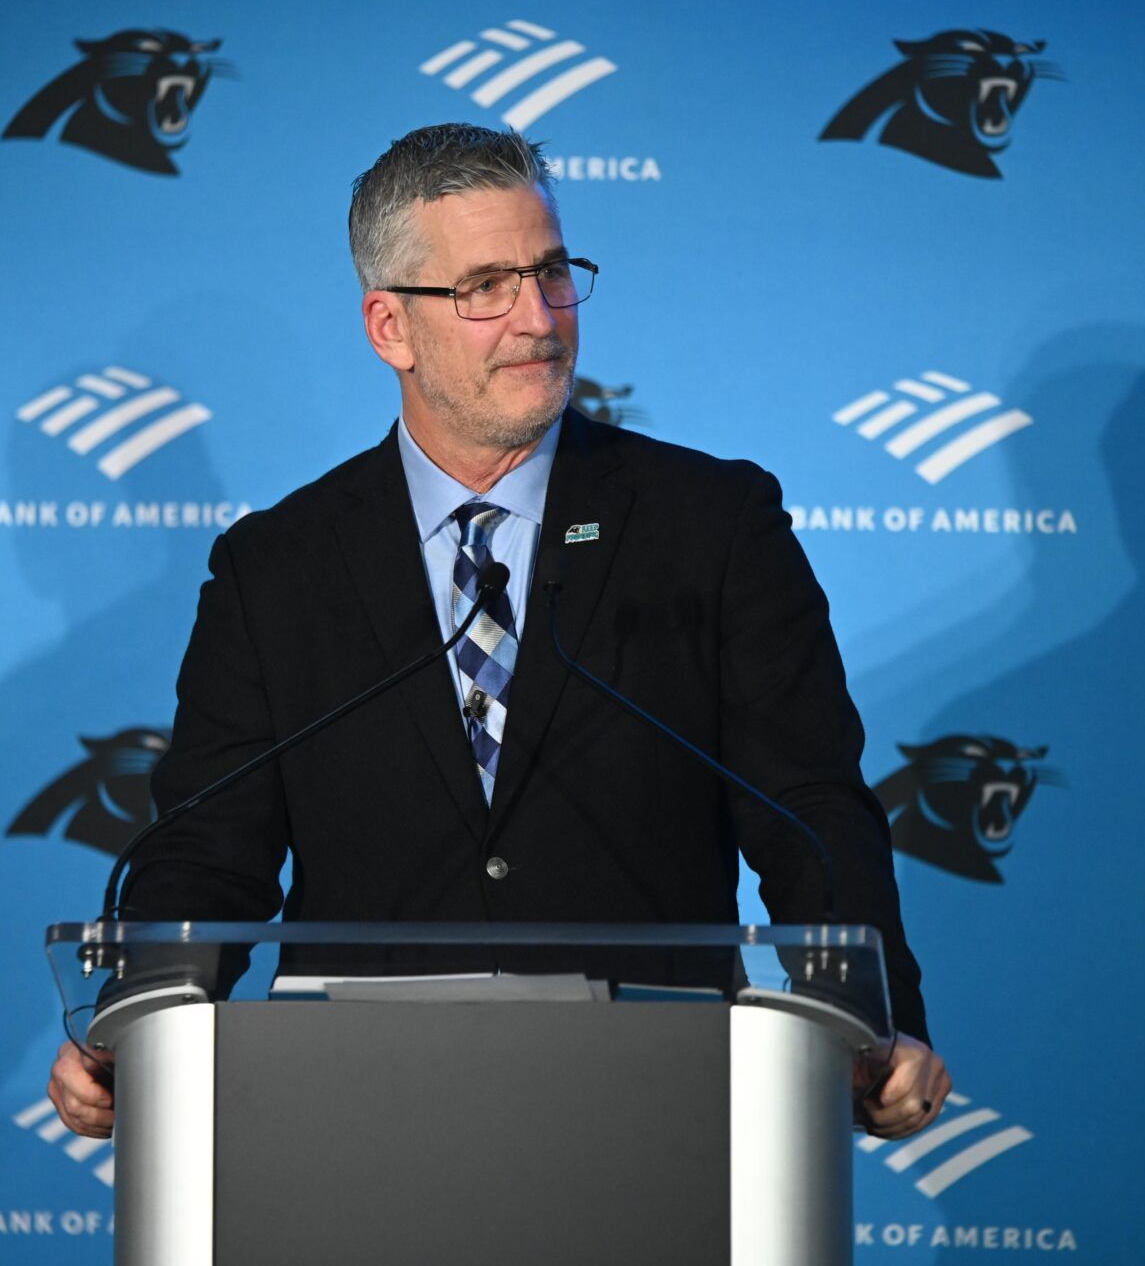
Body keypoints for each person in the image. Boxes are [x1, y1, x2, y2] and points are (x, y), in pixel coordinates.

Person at [50, 123, 949, 1140]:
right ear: (390, 327)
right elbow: (208, 853)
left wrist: (880, 1025)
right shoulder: (279, 568)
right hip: (350, 1116)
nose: (539, 317)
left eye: (553, 271)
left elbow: (809, 808)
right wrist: (137, 1021)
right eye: (485, 286)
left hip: (655, 1109)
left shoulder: (711, 525)